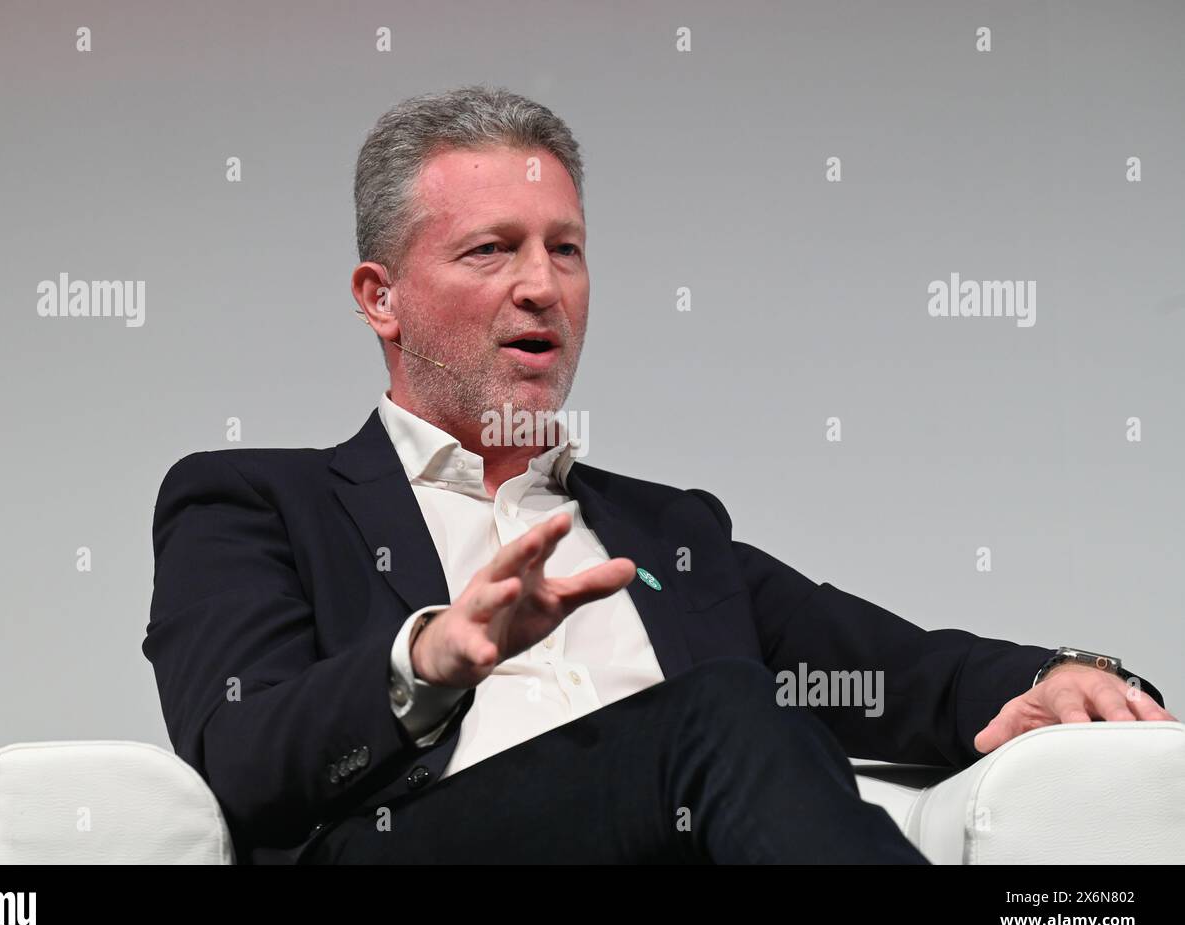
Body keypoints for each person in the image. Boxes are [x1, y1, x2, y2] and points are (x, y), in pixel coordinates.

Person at [142, 85, 1174, 865]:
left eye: (566, 249)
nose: (541, 287)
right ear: (381, 297)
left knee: (743, 717)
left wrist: (1057, 675)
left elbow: (901, 673)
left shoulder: (669, 531)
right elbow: (241, 758)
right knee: (725, 712)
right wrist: (429, 658)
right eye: (491, 250)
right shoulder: (250, 499)